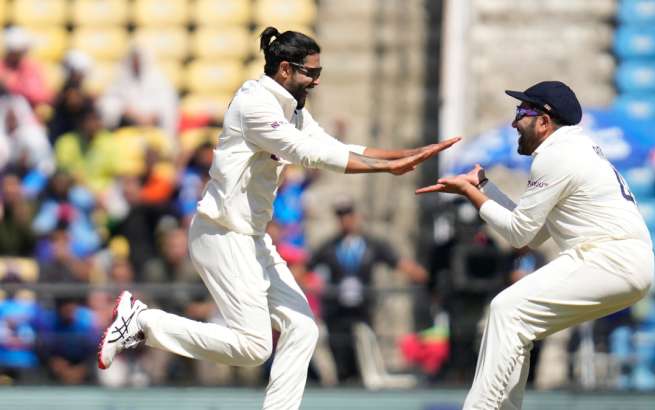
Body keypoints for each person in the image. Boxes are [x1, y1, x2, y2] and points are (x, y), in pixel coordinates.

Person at [97, 27, 458, 409]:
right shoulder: (254, 104)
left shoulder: (292, 106)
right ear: (285, 69)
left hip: (251, 237)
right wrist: (387, 169)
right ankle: (143, 323)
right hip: (221, 234)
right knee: (253, 347)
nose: (316, 82)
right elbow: (307, 153)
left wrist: (405, 154)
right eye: (311, 73)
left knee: (302, 328)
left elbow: (329, 145)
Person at [417, 81, 654, 409]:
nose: (514, 122)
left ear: (544, 121)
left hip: (610, 258)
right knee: (518, 324)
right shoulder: (573, 150)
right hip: (627, 262)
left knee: (505, 310)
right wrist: (484, 186)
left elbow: (519, 235)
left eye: (521, 113)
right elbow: (535, 232)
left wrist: (469, 193)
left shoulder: (555, 156)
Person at [310, 196, 428, 382]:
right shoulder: (330, 246)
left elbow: (397, 261)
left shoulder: (371, 244)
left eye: (348, 215)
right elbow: (307, 267)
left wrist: (423, 277)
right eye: (341, 216)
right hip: (337, 311)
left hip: (363, 309)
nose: (345, 220)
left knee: (363, 353)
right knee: (340, 355)